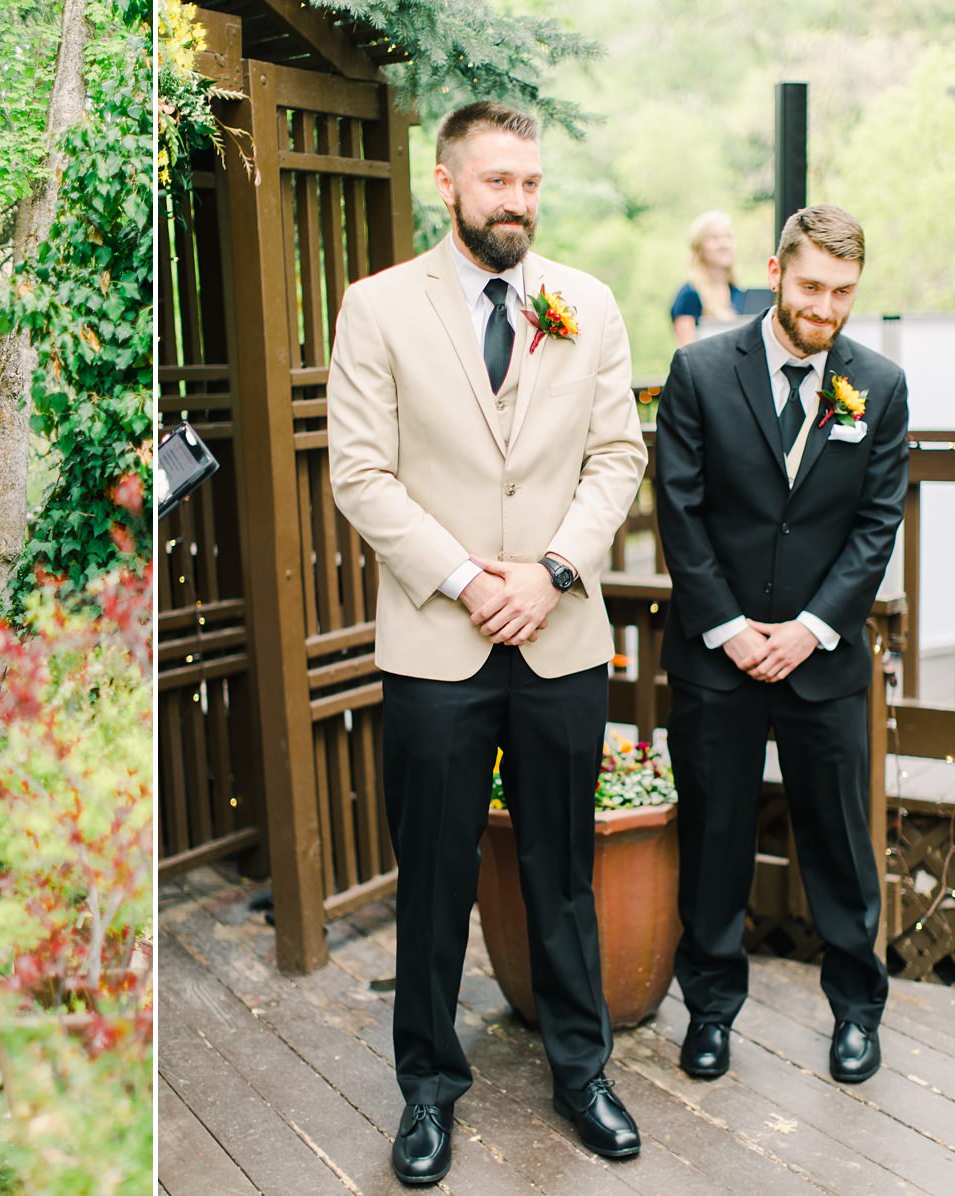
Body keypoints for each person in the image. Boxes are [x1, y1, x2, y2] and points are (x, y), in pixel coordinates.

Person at [327, 101, 648, 1186]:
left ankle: (580, 1068)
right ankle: (427, 1088)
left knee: (563, 870)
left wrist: (550, 571)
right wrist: (470, 579)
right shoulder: (375, 309)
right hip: (436, 640)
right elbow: (359, 472)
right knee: (432, 874)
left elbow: (616, 456)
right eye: (497, 180)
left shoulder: (587, 305)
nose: (517, 201)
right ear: (446, 181)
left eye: (530, 183)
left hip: (558, 636)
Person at [655, 204, 908, 1085]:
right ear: (774, 271)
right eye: (811, 287)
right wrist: (731, 631)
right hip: (716, 658)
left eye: (843, 292)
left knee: (838, 846)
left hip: (823, 659)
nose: (826, 307)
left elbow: (877, 527)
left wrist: (806, 631)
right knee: (715, 837)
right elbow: (678, 515)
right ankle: (711, 1012)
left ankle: (856, 1013)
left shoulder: (879, 382)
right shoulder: (697, 371)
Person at [671, 210, 745, 347]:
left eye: (729, 237)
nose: (724, 244)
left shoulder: (737, 292)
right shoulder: (689, 294)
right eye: (714, 238)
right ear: (699, 247)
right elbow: (687, 352)